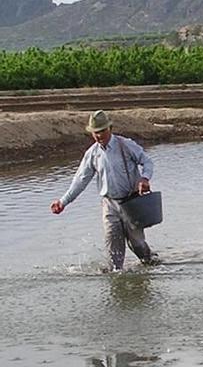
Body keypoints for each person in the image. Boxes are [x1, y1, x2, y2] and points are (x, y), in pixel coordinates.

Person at [51, 110, 160, 271]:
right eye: (96, 132)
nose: (99, 135)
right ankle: (116, 278)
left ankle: (151, 262)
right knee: (113, 248)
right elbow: (80, 180)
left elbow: (147, 161)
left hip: (132, 202)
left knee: (136, 243)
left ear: (110, 128)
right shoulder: (92, 153)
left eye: (102, 131)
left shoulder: (125, 145)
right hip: (109, 204)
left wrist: (144, 178)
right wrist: (63, 201)